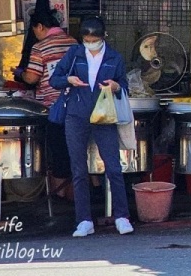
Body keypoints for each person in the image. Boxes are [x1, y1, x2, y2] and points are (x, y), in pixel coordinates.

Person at [49, 16, 133, 238]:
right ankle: (84, 220)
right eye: (86, 40)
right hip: (76, 115)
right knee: (78, 169)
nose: (90, 44)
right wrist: (69, 80)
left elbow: (125, 86)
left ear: (103, 37)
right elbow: (54, 80)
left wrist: (116, 86)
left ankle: (122, 217)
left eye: (94, 40)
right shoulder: (74, 54)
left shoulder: (114, 57)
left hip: (104, 116)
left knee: (113, 167)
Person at [16, 12, 77, 199]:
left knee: (57, 152)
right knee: (76, 151)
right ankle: (78, 194)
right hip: (76, 106)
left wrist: (19, 73)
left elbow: (32, 78)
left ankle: (59, 197)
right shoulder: (74, 43)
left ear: (40, 26)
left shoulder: (40, 47)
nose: (35, 34)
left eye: (34, 30)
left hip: (53, 108)